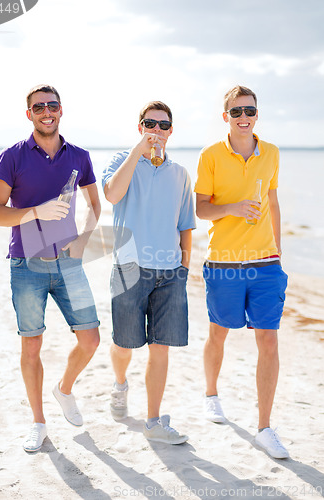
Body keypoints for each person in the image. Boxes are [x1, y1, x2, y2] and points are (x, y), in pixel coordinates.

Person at [0, 84, 101, 453]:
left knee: (91, 340)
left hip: (68, 264)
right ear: (29, 114)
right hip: (27, 265)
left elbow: (95, 205)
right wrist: (35, 211)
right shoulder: (12, 157)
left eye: (52, 105)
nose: (46, 111)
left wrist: (84, 238)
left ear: (61, 110)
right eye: (39, 107)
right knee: (32, 345)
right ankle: (38, 422)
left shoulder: (79, 157)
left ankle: (64, 389)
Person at [195, 85, 289, 459]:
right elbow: (202, 209)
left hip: (266, 263)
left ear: (256, 113)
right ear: (226, 117)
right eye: (236, 112)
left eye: (249, 110)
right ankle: (211, 395)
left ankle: (265, 427)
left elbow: (273, 201)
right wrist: (233, 208)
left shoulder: (273, 153)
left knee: (268, 341)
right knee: (218, 333)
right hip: (224, 262)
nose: (244, 117)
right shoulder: (211, 155)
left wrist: (278, 251)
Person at [102, 101, 195, 445]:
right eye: (149, 123)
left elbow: (186, 225)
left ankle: (153, 420)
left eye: (162, 125)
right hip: (129, 268)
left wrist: (184, 268)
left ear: (171, 130)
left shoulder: (181, 173)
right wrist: (138, 151)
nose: (156, 130)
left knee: (161, 349)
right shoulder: (120, 161)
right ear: (140, 126)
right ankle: (119, 385)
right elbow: (112, 193)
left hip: (170, 273)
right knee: (124, 344)